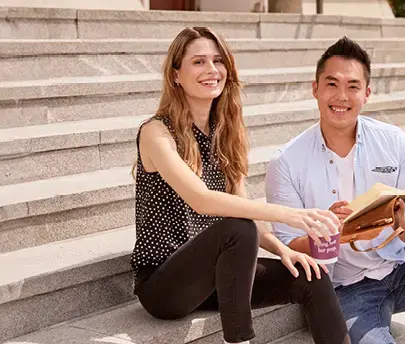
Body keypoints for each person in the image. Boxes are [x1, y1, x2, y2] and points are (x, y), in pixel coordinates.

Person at [129, 26, 350, 344]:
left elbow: (249, 217)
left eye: (218, 61)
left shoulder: (224, 133)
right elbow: (201, 199)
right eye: (198, 62)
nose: (211, 70)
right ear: (176, 74)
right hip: (164, 285)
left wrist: (283, 250)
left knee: (311, 275)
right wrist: (288, 215)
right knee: (238, 227)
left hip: (217, 276)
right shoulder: (156, 132)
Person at [265, 36, 405, 344]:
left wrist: (399, 222)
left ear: (367, 93)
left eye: (353, 86)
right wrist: (331, 232)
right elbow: (289, 246)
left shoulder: (395, 143)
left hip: (404, 269)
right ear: (315, 89)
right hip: (346, 289)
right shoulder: (287, 161)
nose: (341, 96)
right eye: (331, 84)